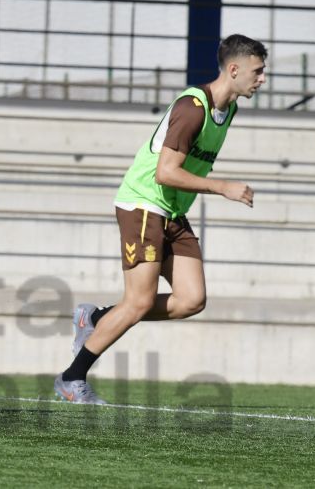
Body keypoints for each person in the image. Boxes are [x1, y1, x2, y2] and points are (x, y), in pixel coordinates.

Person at [54, 34, 267, 404]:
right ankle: (72, 378)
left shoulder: (228, 110)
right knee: (138, 301)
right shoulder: (193, 107)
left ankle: (96, 317)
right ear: (234, 69)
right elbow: (165, 173)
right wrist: (222, 187)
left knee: (191, 300)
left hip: (172, 211)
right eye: (257, 71)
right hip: (144, 204)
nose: (262, 79)